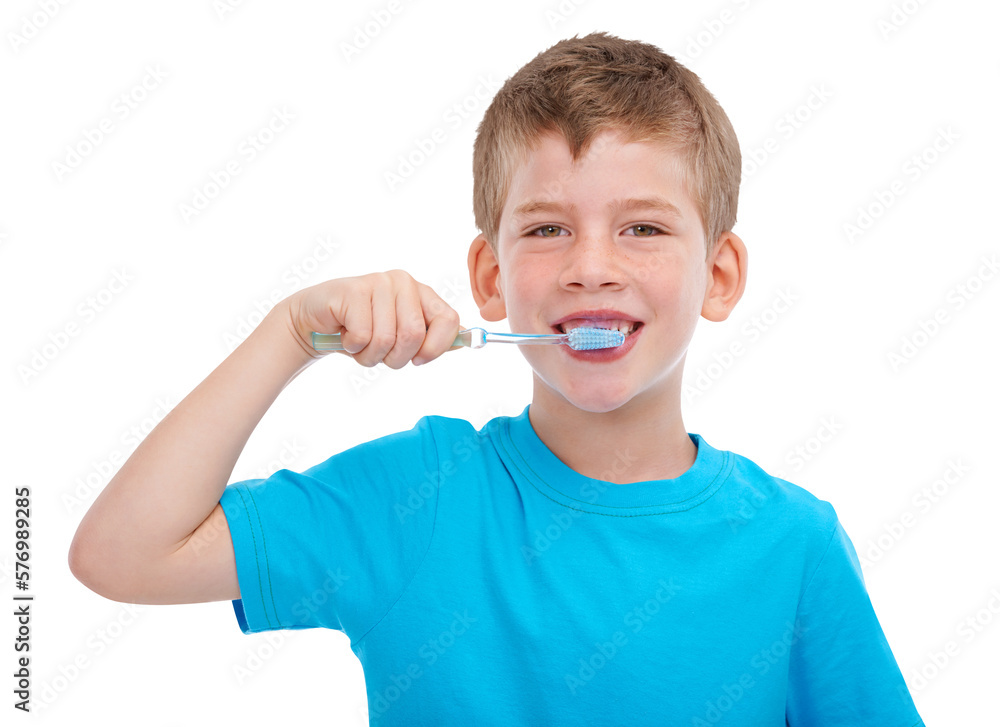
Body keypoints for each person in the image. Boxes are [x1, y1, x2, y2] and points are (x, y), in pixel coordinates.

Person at [69, 31, 924, 725]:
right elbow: (120, 556)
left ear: (722, 275)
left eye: (643, 228)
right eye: (549, 229)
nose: (593, 267)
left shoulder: (795, 544)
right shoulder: (417, 498)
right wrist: (291, 330)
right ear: (489, 276)